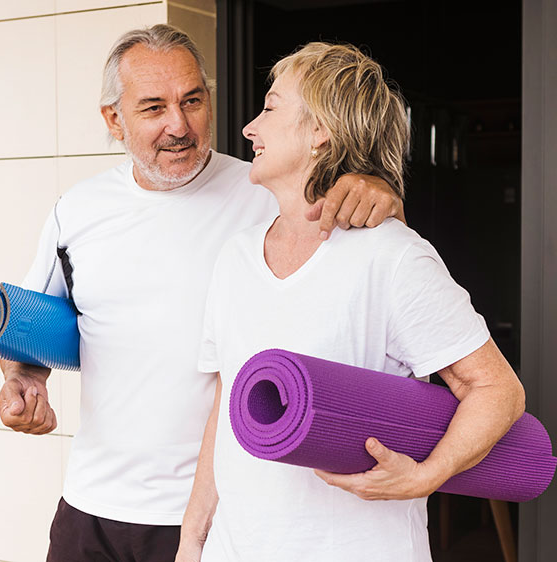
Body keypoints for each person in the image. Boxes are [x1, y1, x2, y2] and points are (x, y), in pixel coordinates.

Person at [0, 26, 403, 562]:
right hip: (89, 508)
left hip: (213, 514)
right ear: (113, 119)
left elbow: (371, 258)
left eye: (193, 100)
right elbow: (33, 325)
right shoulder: (76, 211)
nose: (179, 125)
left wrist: (382, 192)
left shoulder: (267, 192)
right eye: (153, 108)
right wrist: (23, 380)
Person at [177, 42, 526, 562]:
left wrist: (429, 474)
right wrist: (192, 539)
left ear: (320, 131)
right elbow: (227, 409)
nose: (249, 128)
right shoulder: (235, 257)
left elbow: (498, 389)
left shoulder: (393, 257)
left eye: (270, 108)